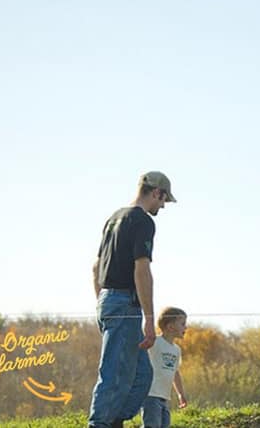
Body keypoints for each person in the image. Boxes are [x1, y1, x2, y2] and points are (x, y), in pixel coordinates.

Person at [89, 171, 177, 428]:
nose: (162, 206)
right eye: (163, 200)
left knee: (142, 375)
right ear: (156, 192)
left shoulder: (114, 218)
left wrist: (102, 304)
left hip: (109, 301)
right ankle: (100, 424)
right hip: (125, 303)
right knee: (113, 374)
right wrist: (150, 320)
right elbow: (142, 270)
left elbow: (96, 268)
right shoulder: (143, 221)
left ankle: (114, 420)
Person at [142, 307, 189, 428]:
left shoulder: (176, 350)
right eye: (182, 324)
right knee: (151, 425)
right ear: (170, 326)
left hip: (164, 397)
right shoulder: (154, 342)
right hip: (150, 394)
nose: (186, 327)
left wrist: (181, 394)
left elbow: (175, 373)